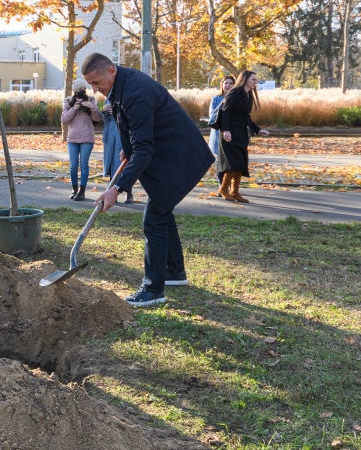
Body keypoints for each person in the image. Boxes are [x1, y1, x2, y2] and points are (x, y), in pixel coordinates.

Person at [83, 53, 214, 307]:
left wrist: (118, 188)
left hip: (179, 155)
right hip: (168, 151)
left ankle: (153, 290)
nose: (94, 90)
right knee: (162, 208)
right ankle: (174, 272)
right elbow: (132, 128)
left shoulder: (135, 92)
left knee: (154, 217)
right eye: (90, 85)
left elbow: (145, 149)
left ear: (111, 71)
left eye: (96, 83)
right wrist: (129, 148)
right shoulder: (121, 84)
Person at [218, 70, 269, 203]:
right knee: (233, 163)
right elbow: (225, 112)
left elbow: (246, 117)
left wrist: (258, 130)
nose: (255, 82)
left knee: (241, 163)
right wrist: (226, 130)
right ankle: (223, 189)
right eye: (253, 79)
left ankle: (235, 192)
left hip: (241, 133)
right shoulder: (235, 92)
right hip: (230, 133)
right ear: (245, 79)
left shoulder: (248, 95)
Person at [61, 79, 101, 201]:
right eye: (79, 90)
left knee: (84, 165)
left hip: (87, 138)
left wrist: (92, 108)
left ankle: (82, 191)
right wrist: (74, 109)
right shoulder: (68, 102)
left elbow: (98, 118)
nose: (82, 92)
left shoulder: (91, 100)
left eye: (83, 89)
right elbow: (64, 120)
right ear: (75, 91)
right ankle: (74, 188)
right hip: (72, 139)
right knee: (73, 166)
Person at [100, 98, 133, 203]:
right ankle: (111, 191)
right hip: (110, 132)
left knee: (123, 162)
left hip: (121, 131)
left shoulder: (125, 97)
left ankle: (129, 192)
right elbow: (104, 118)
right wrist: (104, 111)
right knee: (110, 163)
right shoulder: (108, 99)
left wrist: (118, 112)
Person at [208, 75, 235, 185]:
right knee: (220, 160)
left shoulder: (236, 98)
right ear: (222, 85)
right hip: (218, 131)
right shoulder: (216, 98)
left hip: (232, 132)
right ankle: (221, 184)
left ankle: (230, 184)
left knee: (231, 159)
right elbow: (212, 115)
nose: (228, 85)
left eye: (230, 83)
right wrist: (222, 103)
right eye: (226, 83)